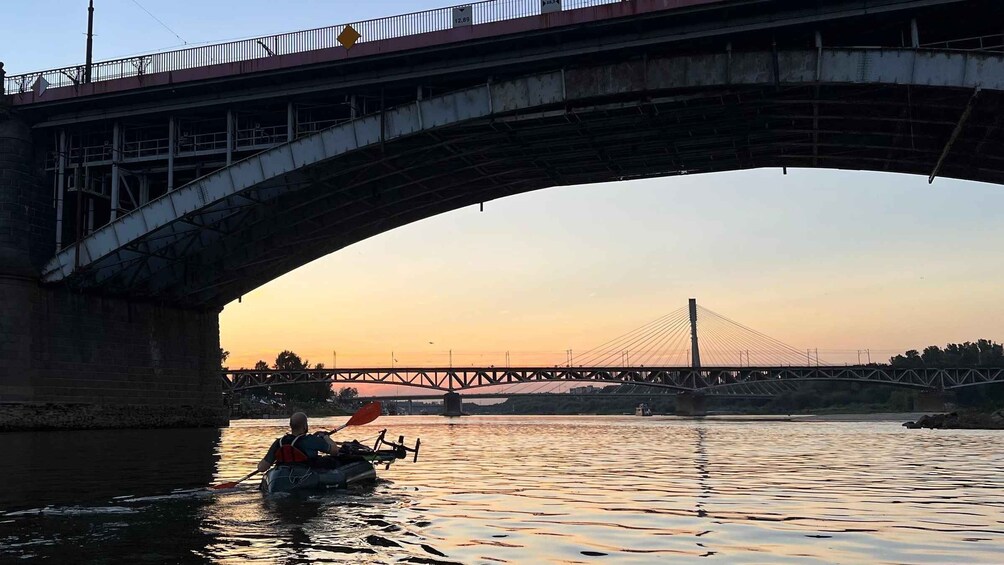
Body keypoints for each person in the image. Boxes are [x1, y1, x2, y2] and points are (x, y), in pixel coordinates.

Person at [257, 412, 340, 473]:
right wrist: (326, 438)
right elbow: (335, 451)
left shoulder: (279, 442)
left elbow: (261, 468)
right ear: (305, 426)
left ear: (290, 425)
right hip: (306, 475)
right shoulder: (311, 440)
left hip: (283, 475)